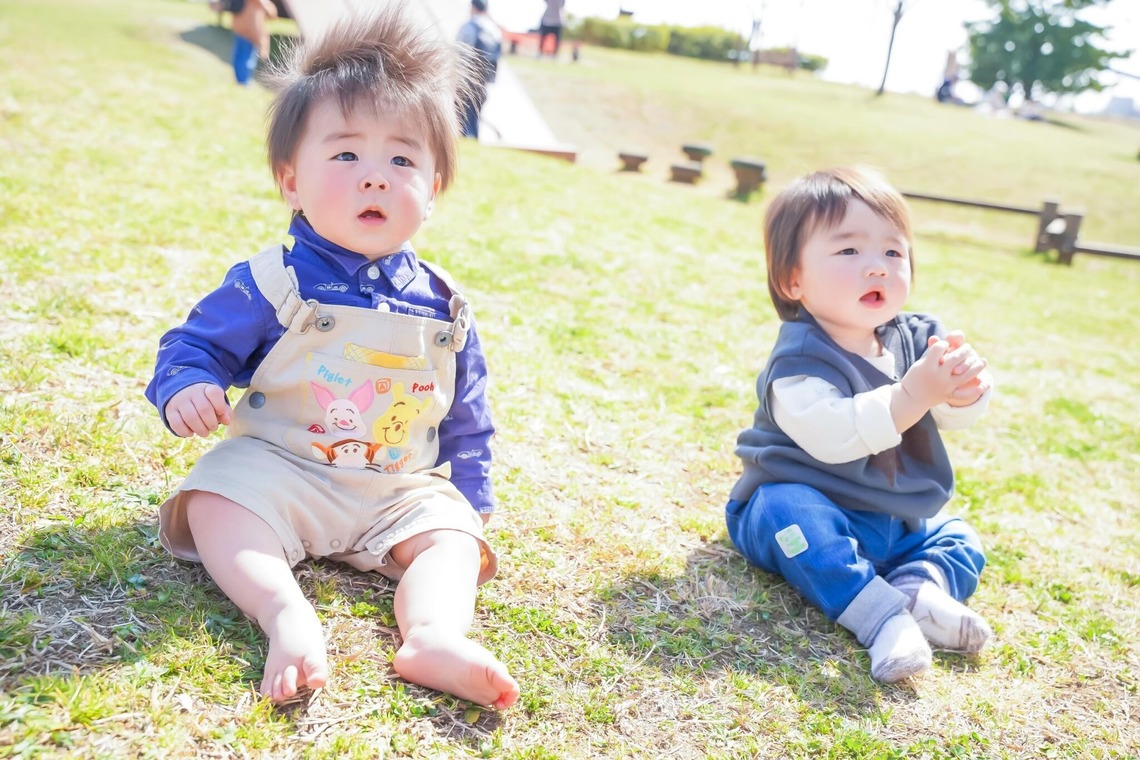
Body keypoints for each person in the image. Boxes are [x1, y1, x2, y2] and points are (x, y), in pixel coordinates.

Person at [145, 7, 519, 710]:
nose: (374, 178)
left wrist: (471, 491)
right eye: (345, 155)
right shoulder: (272, 282)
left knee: (453, 539)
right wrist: (187, 384)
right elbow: (192, 344)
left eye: (402, 159)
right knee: (217, 500)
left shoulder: (445, 305)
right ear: (291, 182)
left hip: (393, 487)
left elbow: (469, 413)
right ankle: (284, 612)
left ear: (432, 191)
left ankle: (433, 635)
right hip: (279, 471)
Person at [724, 167, 995, 684]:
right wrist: (914, 393)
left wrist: (963, 392)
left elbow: (952, 416)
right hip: (814, 507)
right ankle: (881, 617)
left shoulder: (918, 338)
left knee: (960, 536)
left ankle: (919, 588)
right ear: (792, 280)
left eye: (893, 253)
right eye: (848, 251)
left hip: (891, 520)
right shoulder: (800, 362)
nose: (877, 268)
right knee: (786, 510)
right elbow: (835, 436)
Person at [456, 0, 502, 139]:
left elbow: (460, 53)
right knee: (474, 119)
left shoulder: (469, 26)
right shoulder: (494, 30)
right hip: (483, 83)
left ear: (473, 7)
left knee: (463, 121)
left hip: (467, 81)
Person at [210, 0, 278, 86]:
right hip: (250, 31)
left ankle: (243, 81)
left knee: (242, 57)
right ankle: (243, 82)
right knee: (246, 58)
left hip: (242, 30)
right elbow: (272, 13)